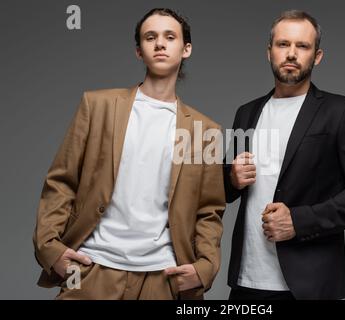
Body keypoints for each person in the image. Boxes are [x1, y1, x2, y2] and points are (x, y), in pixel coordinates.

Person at [33, 8, 225, 300]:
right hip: (90, 269)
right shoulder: (97, 106)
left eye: (169, 36)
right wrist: (50, 248)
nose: (160, 43)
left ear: (186, 49)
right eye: (151, 37)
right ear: (139, 51)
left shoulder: (206, 131)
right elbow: (62, 181)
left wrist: (205, 268)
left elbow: (209, 211)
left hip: (163, 279)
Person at [224, 10, 345, 300]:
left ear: (317, 56)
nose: (291, 53)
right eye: (283, 44)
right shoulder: (246, 113)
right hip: (247, 282)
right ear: (269, 52)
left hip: (310, 285)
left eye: (302, 46)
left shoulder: (341, 111)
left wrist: (300, 221)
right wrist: (231, 179)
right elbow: (226, 189)